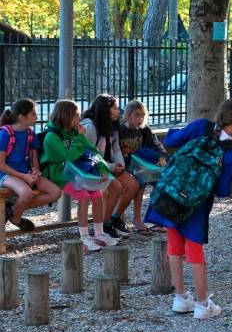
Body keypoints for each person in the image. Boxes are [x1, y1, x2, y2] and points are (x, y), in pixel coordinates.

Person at [146, 99, 232, 319]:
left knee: (174, 245)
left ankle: (180, 297)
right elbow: (223, 189)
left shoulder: (201, 126)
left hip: (172, 195)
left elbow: (171, 139)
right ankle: (202, 304)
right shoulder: (231, 151)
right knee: (194, 248)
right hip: (197, 204)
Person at [40, 100, 118, 252]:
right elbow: (68, 157)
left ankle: (99, 234)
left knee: (97, 195)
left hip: (79, 173)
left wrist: (102, 168)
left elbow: (93, 151)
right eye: (76, 116)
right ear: (65, 116)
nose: (79, 119)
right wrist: (79, 138)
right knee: (84, 196)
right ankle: (84, 237)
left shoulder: (74, 131)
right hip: (61, 175)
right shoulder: (51, 137)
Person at [81, 94, 140, 238]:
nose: (118, 111)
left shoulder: (112, 126)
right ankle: (103, 225)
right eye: (114, 108)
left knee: (133, 185)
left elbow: (116, 148)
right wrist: (111, 167)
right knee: (115, 187)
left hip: (108, 165)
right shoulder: (90, 127)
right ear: (104, 110)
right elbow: (88, 156)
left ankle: (114, 218)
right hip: (92, 168)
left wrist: (120, 164)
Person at [0, 99, 61, 231]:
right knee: (27, 194)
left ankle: (13, 211)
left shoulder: (30, 133)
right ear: (22, 117)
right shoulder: (4, 134)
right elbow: (1, 165)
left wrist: (36, 171)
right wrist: (24, 177)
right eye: (33, 114)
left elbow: (34, 156)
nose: (37, 117)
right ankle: (16, 217)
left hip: (25, 173)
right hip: (6, 174)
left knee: (55, 192)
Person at [118, 100, 168, 235]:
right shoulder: (120, 130)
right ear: (128, 115)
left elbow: (156, 144)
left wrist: (162, 156)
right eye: (137, 115)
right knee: (140, 181)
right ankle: (136, 219)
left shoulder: (144, 129)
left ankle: (156, 218)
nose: (140, 118)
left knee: (163, 183)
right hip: (127, 166)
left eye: (143, 115)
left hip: (142, 165)